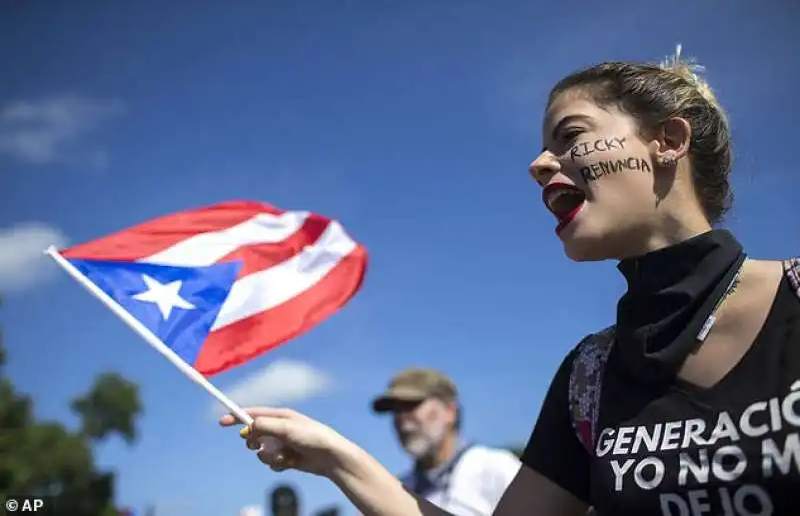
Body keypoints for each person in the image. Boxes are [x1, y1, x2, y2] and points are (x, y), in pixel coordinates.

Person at [221, 47, 800, 515]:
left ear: (668, 142)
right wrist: (335, 458)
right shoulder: (589, 377)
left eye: (571, 135)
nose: (539, 164)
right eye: (544, 148)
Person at [369, 367, 521, 515]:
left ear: (450, 411)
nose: (401, 418)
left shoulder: (495, 469)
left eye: (411, 404)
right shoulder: (396, 489)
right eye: (395, 410)